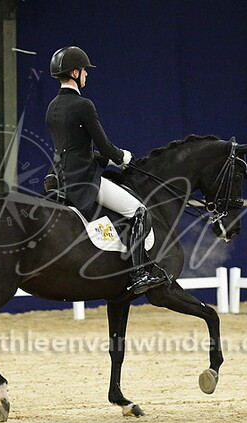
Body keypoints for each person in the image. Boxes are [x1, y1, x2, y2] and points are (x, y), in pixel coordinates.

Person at [45, 46, 165, 294]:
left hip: (61, 177)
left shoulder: (52, 107)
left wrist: (104, 161)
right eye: (84, 71)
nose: (87, 75)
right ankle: (139, 273)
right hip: (84, 181)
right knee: (140, 211)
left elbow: (73, 150)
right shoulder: (83, 105)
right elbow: (104, 145)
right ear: (75, 73)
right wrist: (121, 158)